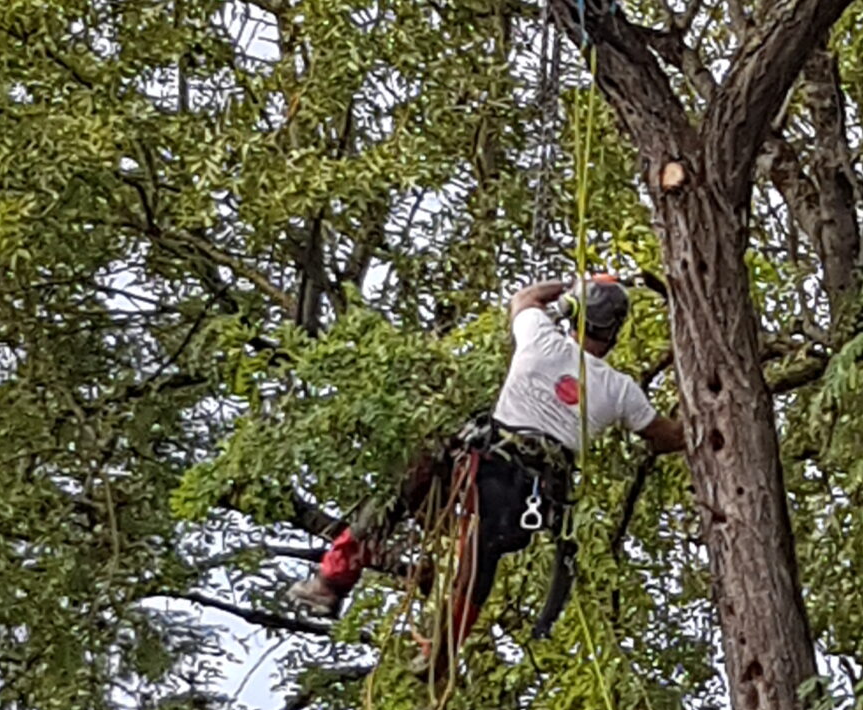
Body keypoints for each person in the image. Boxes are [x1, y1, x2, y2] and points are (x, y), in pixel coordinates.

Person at [291, 276, 683, 665]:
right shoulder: (621, 391)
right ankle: (442, 652)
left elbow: (526, 297)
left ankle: (331, 581)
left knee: (399, 497)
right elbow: (668, 437)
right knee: (480, 558)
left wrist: (571, 287)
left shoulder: (539, 335)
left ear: (573, 314)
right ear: (615, 332)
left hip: (479, 467)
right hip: (522, 496)